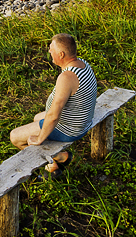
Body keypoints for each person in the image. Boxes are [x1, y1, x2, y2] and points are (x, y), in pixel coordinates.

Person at [9, 33, 98, 176]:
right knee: (37, 117)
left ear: (61, 54)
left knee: (15, 137)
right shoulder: (82, 64)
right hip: (81, 120)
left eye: (51, 49)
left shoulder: (67, 77)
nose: (49, 51)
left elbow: (54, 115)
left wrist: (39, 139)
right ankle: (57, 161)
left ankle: (55, 162)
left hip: (70, 129)